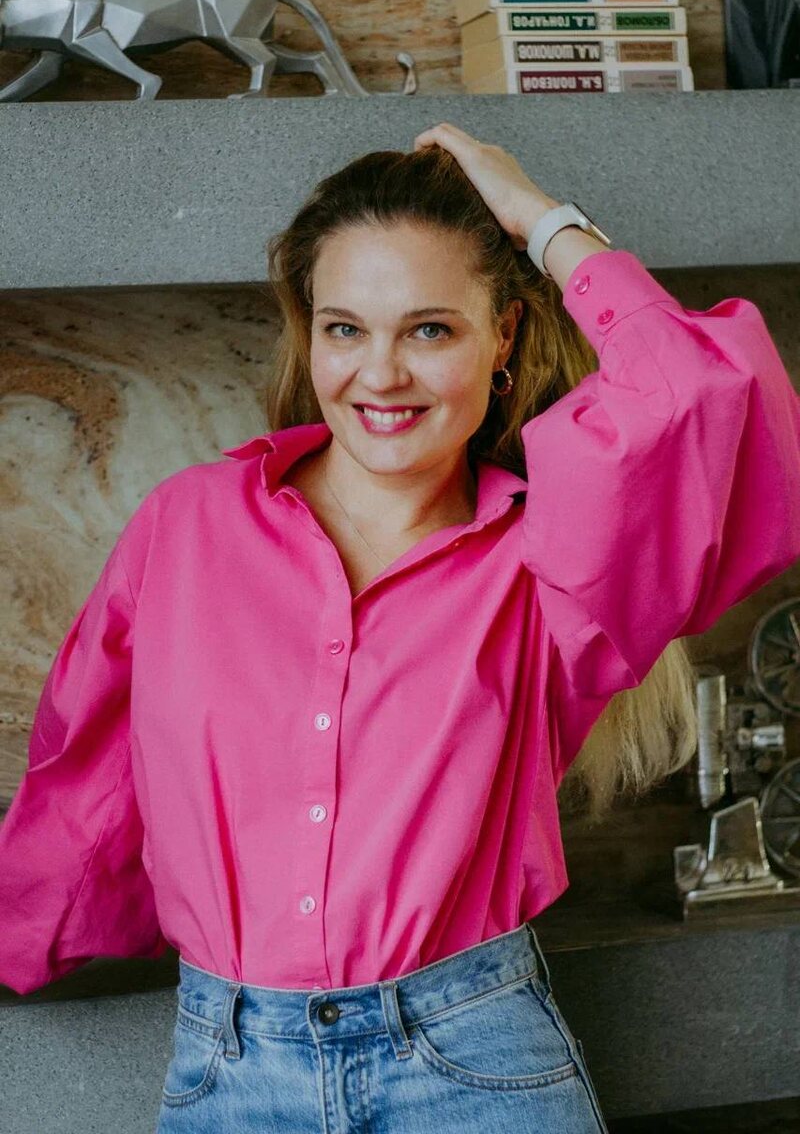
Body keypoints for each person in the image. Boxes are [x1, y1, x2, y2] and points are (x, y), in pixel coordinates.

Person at [1, 122, 799, 1133]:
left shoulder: (553, 560)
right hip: (228, 1074)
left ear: (502, 337)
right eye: (345, 329)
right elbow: (92, 777)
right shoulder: (187, 526)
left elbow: (702, 392)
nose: (379, 375)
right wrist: (19, 940)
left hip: (472, 1066)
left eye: (429, 331)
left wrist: (539, 218)